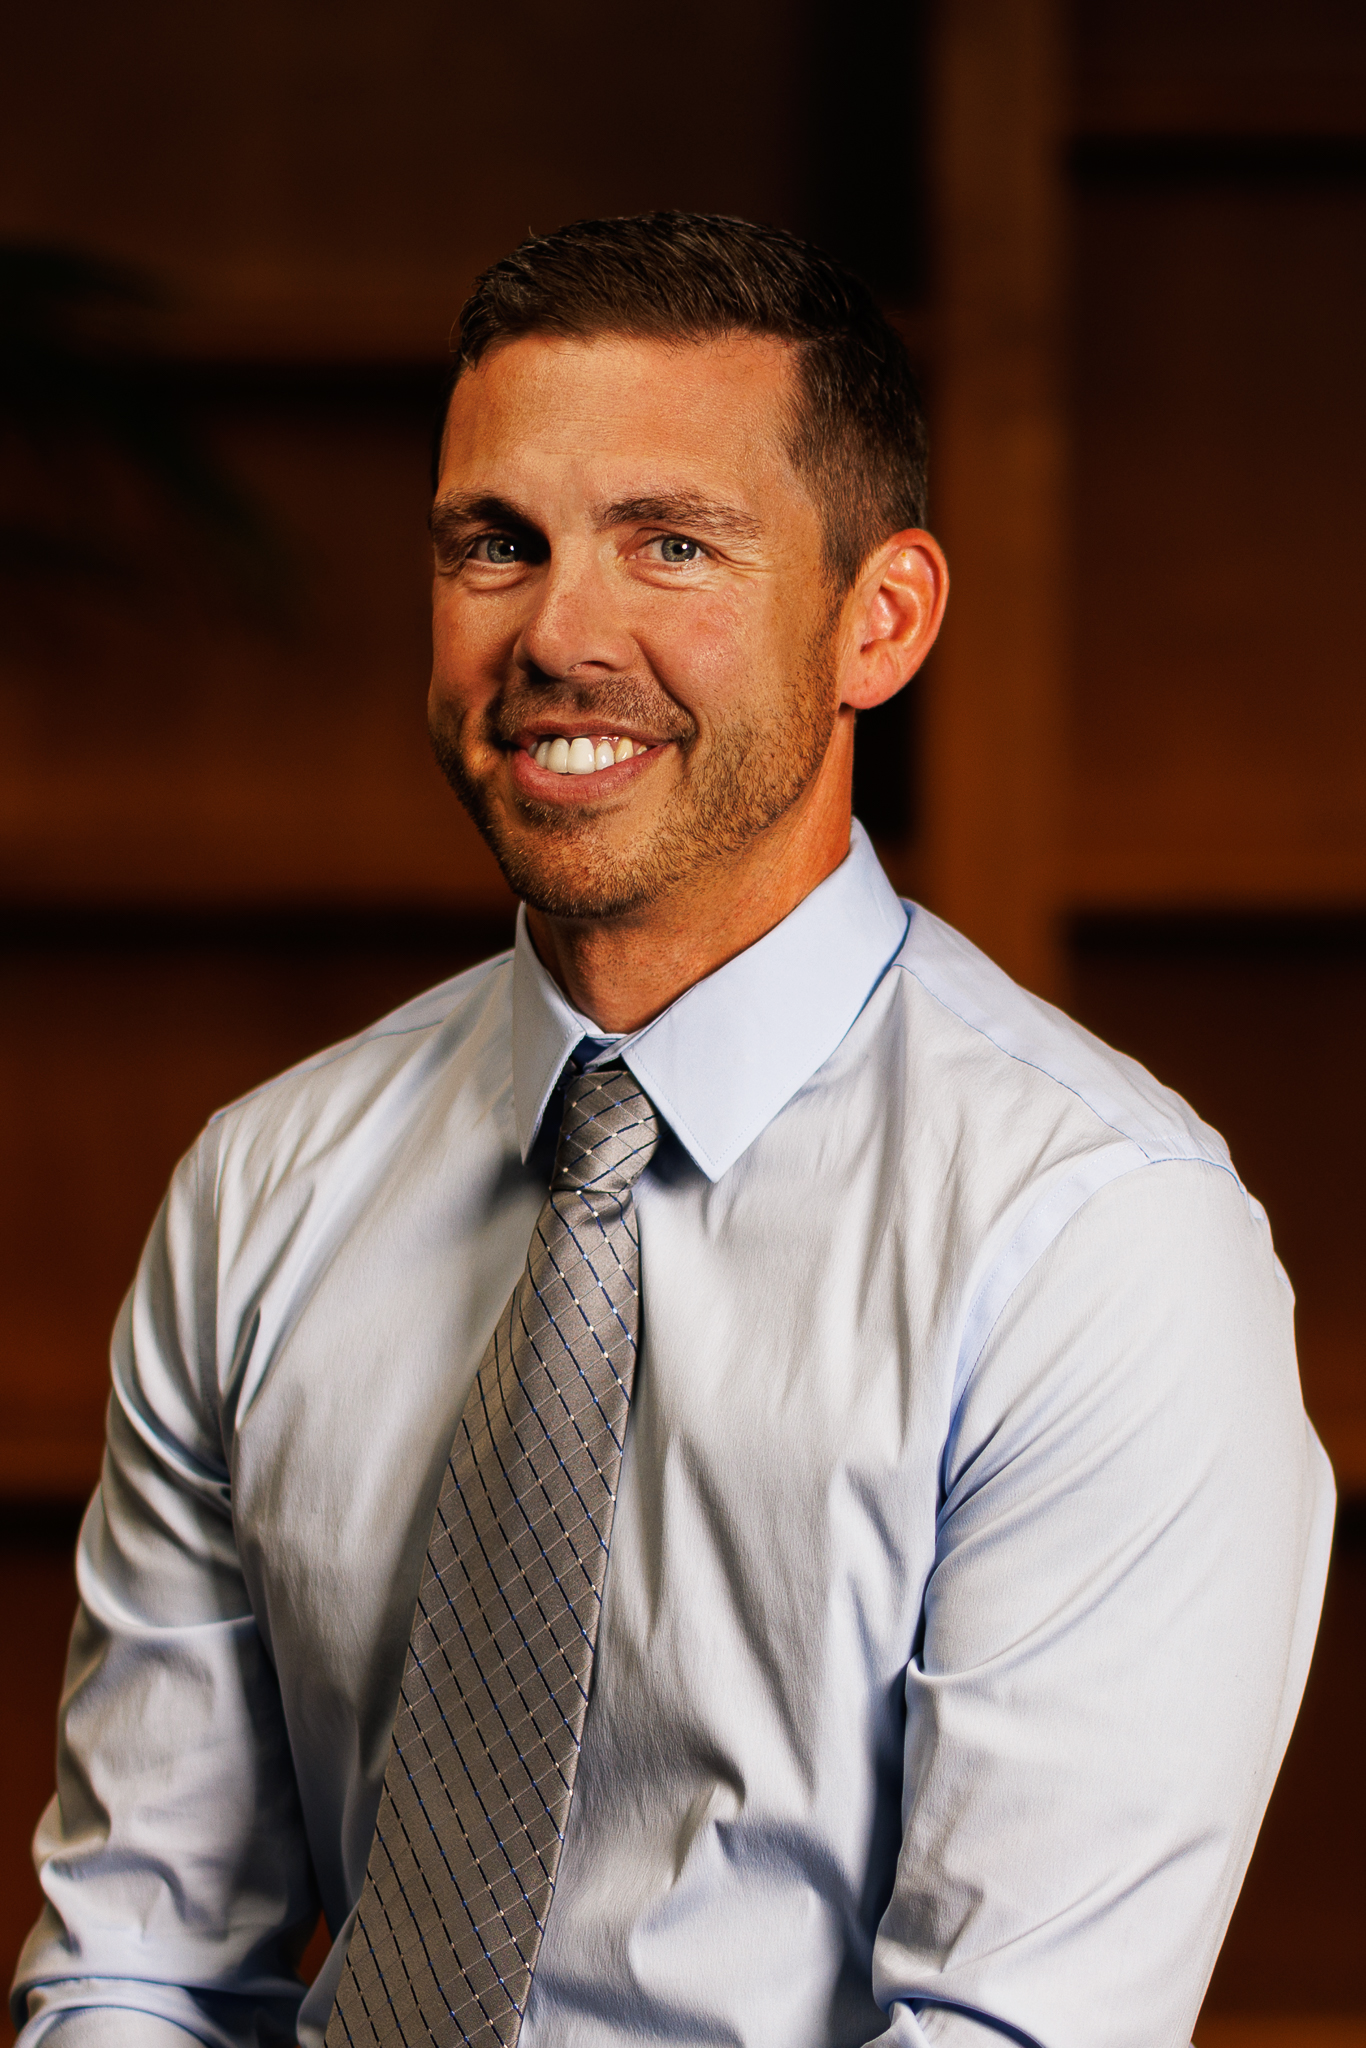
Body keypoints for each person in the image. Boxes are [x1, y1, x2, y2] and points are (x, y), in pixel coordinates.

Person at [12, 213, 1332, 2048]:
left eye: (671, 544)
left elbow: (1011, 2032)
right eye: (497, 543)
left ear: (879, 621)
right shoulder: (264, 1188)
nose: (559, 633)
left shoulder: (1096, 1240)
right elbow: (135, 1964)